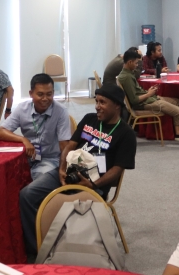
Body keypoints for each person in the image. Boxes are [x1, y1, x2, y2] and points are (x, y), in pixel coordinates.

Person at [19, 84, 137, 256]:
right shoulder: (89, 119)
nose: (97, 106)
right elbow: (69, 146)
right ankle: (38, 248)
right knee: (27, 195)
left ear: (117, 105)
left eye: (102, 102)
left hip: (93, 184)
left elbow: (117, 169)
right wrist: (61, 169)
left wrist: (92, 185)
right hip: (67, 173)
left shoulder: (126, 134)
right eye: (96, 101)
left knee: (61, 205)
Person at [0, 73, 72, 179]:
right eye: (40, 94)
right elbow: (1, 131)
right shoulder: (22, 108)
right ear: (31, 93)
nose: (45, 99)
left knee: (39, 181)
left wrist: (63, 169)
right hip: (27, 156)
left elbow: (64, 146)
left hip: (50, 159)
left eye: (49, 94)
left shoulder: (60, 111)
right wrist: (23, 139)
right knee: (6, 173)